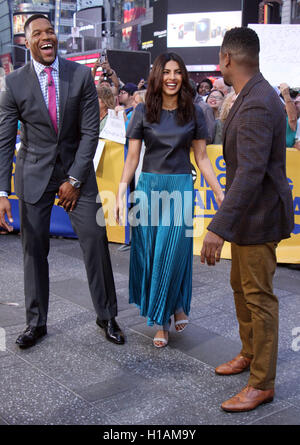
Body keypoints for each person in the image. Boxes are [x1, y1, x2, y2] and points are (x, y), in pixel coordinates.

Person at [0, 14, 125, 348]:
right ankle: (36, 323)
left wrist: (74, 179)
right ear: (27, 42)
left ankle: (107, 315)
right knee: (33, 251)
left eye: (51, 31)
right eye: (38, 33)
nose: (47, 37)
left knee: (96, 241)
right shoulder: (14, 83)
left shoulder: (81, 75)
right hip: (33, 174)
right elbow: (5, 137)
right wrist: (1, 191)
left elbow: (89, 133)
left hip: (77, 173)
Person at [201, 27, 294, 412]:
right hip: (249, 218)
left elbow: (251, 173)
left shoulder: (257, 101)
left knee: (259, 297)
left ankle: (262, 383)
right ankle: (250, 353)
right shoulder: (253, 93)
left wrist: (217, 228)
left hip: (259, 219)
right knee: (242, 288)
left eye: (219, 59)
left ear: (227, 58)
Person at [115, 52, 224, 348]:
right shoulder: (142, 111)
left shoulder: (194, 112)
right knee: (152, 253)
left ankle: (172, 306)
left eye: (177, 72)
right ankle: (164, 317)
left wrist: (217, 189)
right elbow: (133, 157)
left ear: (183, 76)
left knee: (171, 251)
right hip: (149, 188)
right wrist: (122, 190)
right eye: (166, 71)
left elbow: (201, 157)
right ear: (158, 76)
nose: (172, 77)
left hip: (179, 188)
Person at [279, 83, 298, 147]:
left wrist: (286, 95)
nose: (294, 105)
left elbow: (293, 120)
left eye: (297, 103)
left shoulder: (295, 121)